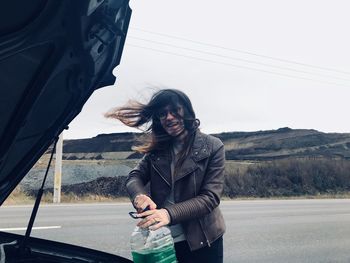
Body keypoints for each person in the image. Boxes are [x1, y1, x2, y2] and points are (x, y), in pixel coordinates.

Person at [105, 89, 226, 263]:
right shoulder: (157, 151)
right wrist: (139, 195)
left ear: (186, 111)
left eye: (175, 110)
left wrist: (168, 214)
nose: (169, 117)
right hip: (163, 239)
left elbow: (210, 198)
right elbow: (135, 176)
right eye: (162, 114)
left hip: (203, 241)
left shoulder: (213, 146)